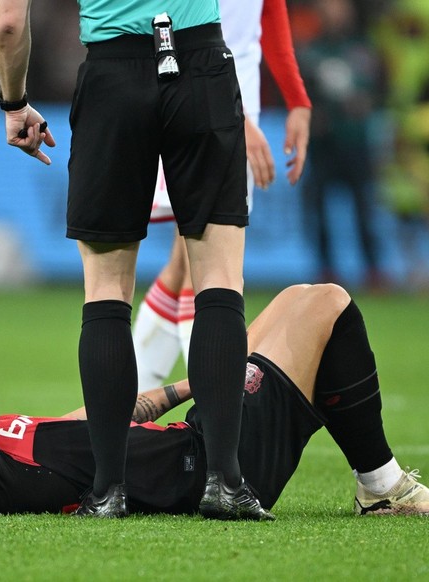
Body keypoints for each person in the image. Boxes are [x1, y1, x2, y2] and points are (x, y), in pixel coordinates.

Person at [0, 283, 429, 519]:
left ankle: (376, 482)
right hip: (218, 465)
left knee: (288, 303)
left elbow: (89, 428)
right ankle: (380, 485)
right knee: (327, 304)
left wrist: (184, 387)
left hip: (197, 443)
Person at [0, 1, 262, 518]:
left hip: (113, 76)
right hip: (201, 63)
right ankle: (226, 483)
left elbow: (7, 23)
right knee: (221, 283)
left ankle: (106, 491)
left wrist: (14, 102)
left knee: (107, 293)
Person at [133, 0, 312, 390]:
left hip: (231, 102)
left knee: (186, 263)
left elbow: (269, 11)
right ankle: (217, 417)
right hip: (199, 101)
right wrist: (235, 116)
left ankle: (126, 410)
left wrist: (297, 99)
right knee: (211, 271)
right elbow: (168, 21)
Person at [298, 0, 387, 289]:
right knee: (319, 208)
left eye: (340, 7)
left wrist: (368, 104)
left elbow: (381, 89)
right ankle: (326, 270)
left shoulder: (364, 48)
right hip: (324, 144)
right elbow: (300, 93)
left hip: (356, 142)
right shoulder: (311, 51)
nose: (336, 13)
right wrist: (315, 113)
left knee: (364, 208)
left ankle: (373, 270)